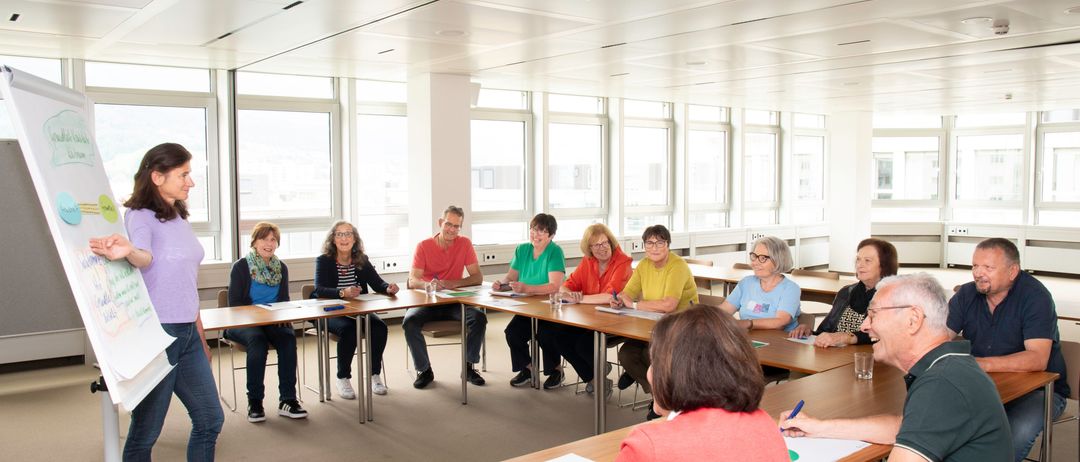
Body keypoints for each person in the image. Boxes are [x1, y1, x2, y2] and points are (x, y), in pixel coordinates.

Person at [781, 273, 1013, 461]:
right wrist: (818, 427)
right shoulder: (948, 365)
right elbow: (904, 427)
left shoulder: (942, 383)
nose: (864, 326)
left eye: (873, 314)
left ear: (913, 319)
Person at [88, 143, 224, 460]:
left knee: (210, 419)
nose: (190, 182)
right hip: (159, 335)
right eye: (184, 174)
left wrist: (200, 334)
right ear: (158, 176)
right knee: (145, 433)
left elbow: (185, 282)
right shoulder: (139, 216)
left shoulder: (177, 216)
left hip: (188, 331)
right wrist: (128, 251)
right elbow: (143, 257)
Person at [947, 238, 1069, 461]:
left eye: (988, 267)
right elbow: (937, 336)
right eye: (975, 266)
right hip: (983, 384)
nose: (978, 273)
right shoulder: (966, 294)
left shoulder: (1036, 297)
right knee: (940, 423)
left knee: (1013, 434)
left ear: (1013, 271)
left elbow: (1037, 359)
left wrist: (982, 364)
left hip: (1040, 391)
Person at [615, 305, 788, 462]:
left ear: (675, 373)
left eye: (655, 362)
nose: (650, 371)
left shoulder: (647, 445)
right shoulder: (765, 424)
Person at [613, 225, 697, 420]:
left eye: (660, 242)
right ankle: (658, 397)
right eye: (650, 243)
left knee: (652, 355)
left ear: (668, 245)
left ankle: (661, 401)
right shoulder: (643, 265)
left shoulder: (677, 266)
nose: (655, 247)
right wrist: (620, 299)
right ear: (644, 246)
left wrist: (633, 305)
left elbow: (669, 305)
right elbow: (628, 292)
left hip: (681, 326)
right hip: (651, 324)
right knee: (626, 354)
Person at [225, 222, 306, 422]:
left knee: (288, 338)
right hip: (243, 322)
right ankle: (255, 401)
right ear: (254, 241)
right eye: (264, 239)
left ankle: (288, 399)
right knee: (257, 341)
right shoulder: (241, 266)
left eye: (273, 240)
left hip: (272, 321)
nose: (269, 244)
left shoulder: (281, 268)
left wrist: (282, 318)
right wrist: (259, 315)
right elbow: (235, 305)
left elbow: (284, 302)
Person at [404, 205, 487, 389]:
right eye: (449, 224)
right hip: (428, 301)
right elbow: (412, 280)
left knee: (479, 318)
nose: (452, 230)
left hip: (453, 302)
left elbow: (478, 277)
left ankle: (468, 367)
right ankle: (424, 370)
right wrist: (427, 285)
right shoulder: (424, 246)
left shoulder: (464, 243)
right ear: (440, 223)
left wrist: (453, 283)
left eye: (457, 226)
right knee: (409, 322)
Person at [311, 221, 397, 398]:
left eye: (348, 234)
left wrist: (388, 288)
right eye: (340, 234)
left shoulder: (361, 259)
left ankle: (374, 375)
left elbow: (377, 282)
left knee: (380, 327)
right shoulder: (324, 260)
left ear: (355, 238)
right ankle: (343, 377)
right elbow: (319, 289)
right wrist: (343, 292)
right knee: (349, 331)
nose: (344, 238)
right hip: (329, 310)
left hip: (357, 309)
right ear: (333, 239)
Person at [547, 223, 632, 393]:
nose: (602, 248)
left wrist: (580, 299)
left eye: (605, 243)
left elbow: (610, 296)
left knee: (583, 344)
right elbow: (565, 286)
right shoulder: (588, 261)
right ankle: (595, 379)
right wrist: (570, 294)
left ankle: (599, 368)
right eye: (596, 245)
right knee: (559, 338)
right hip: (589, 318)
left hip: (615, 321)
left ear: (611, 242)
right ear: (589, 248)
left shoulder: (622, 262)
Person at [495, 213, 566, 389]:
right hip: (526, 305)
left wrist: (528, 288)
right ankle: (528, 368)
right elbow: (511, 276)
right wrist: (501, 283)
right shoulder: (522, 249)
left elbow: (555, 286)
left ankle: (556, 370)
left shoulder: (555, 252)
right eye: (533, 229)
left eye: (541, 231)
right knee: (512, 333)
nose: (535, 234)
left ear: (551, 235)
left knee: (546, 335)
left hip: (548, 306)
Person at [789, 238, 898, 347]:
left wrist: (847, 337)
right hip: (835, 357)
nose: (860, 265)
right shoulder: (846, 292)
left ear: (884, 265)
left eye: (867, 260)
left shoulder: (893, 297)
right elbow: (825, 330)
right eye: (858, 259)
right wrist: (808, 331)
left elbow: (884, 335)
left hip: (868, 358)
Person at [718, 235, 800, 332]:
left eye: (762, 258)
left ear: (778, 260)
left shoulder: (790, 289)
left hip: (778, 342)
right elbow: (723, 311)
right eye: (754, 256)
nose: (754, 263)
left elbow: (780, 322)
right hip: (749, 338)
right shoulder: (746, 283)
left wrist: (747, 323)